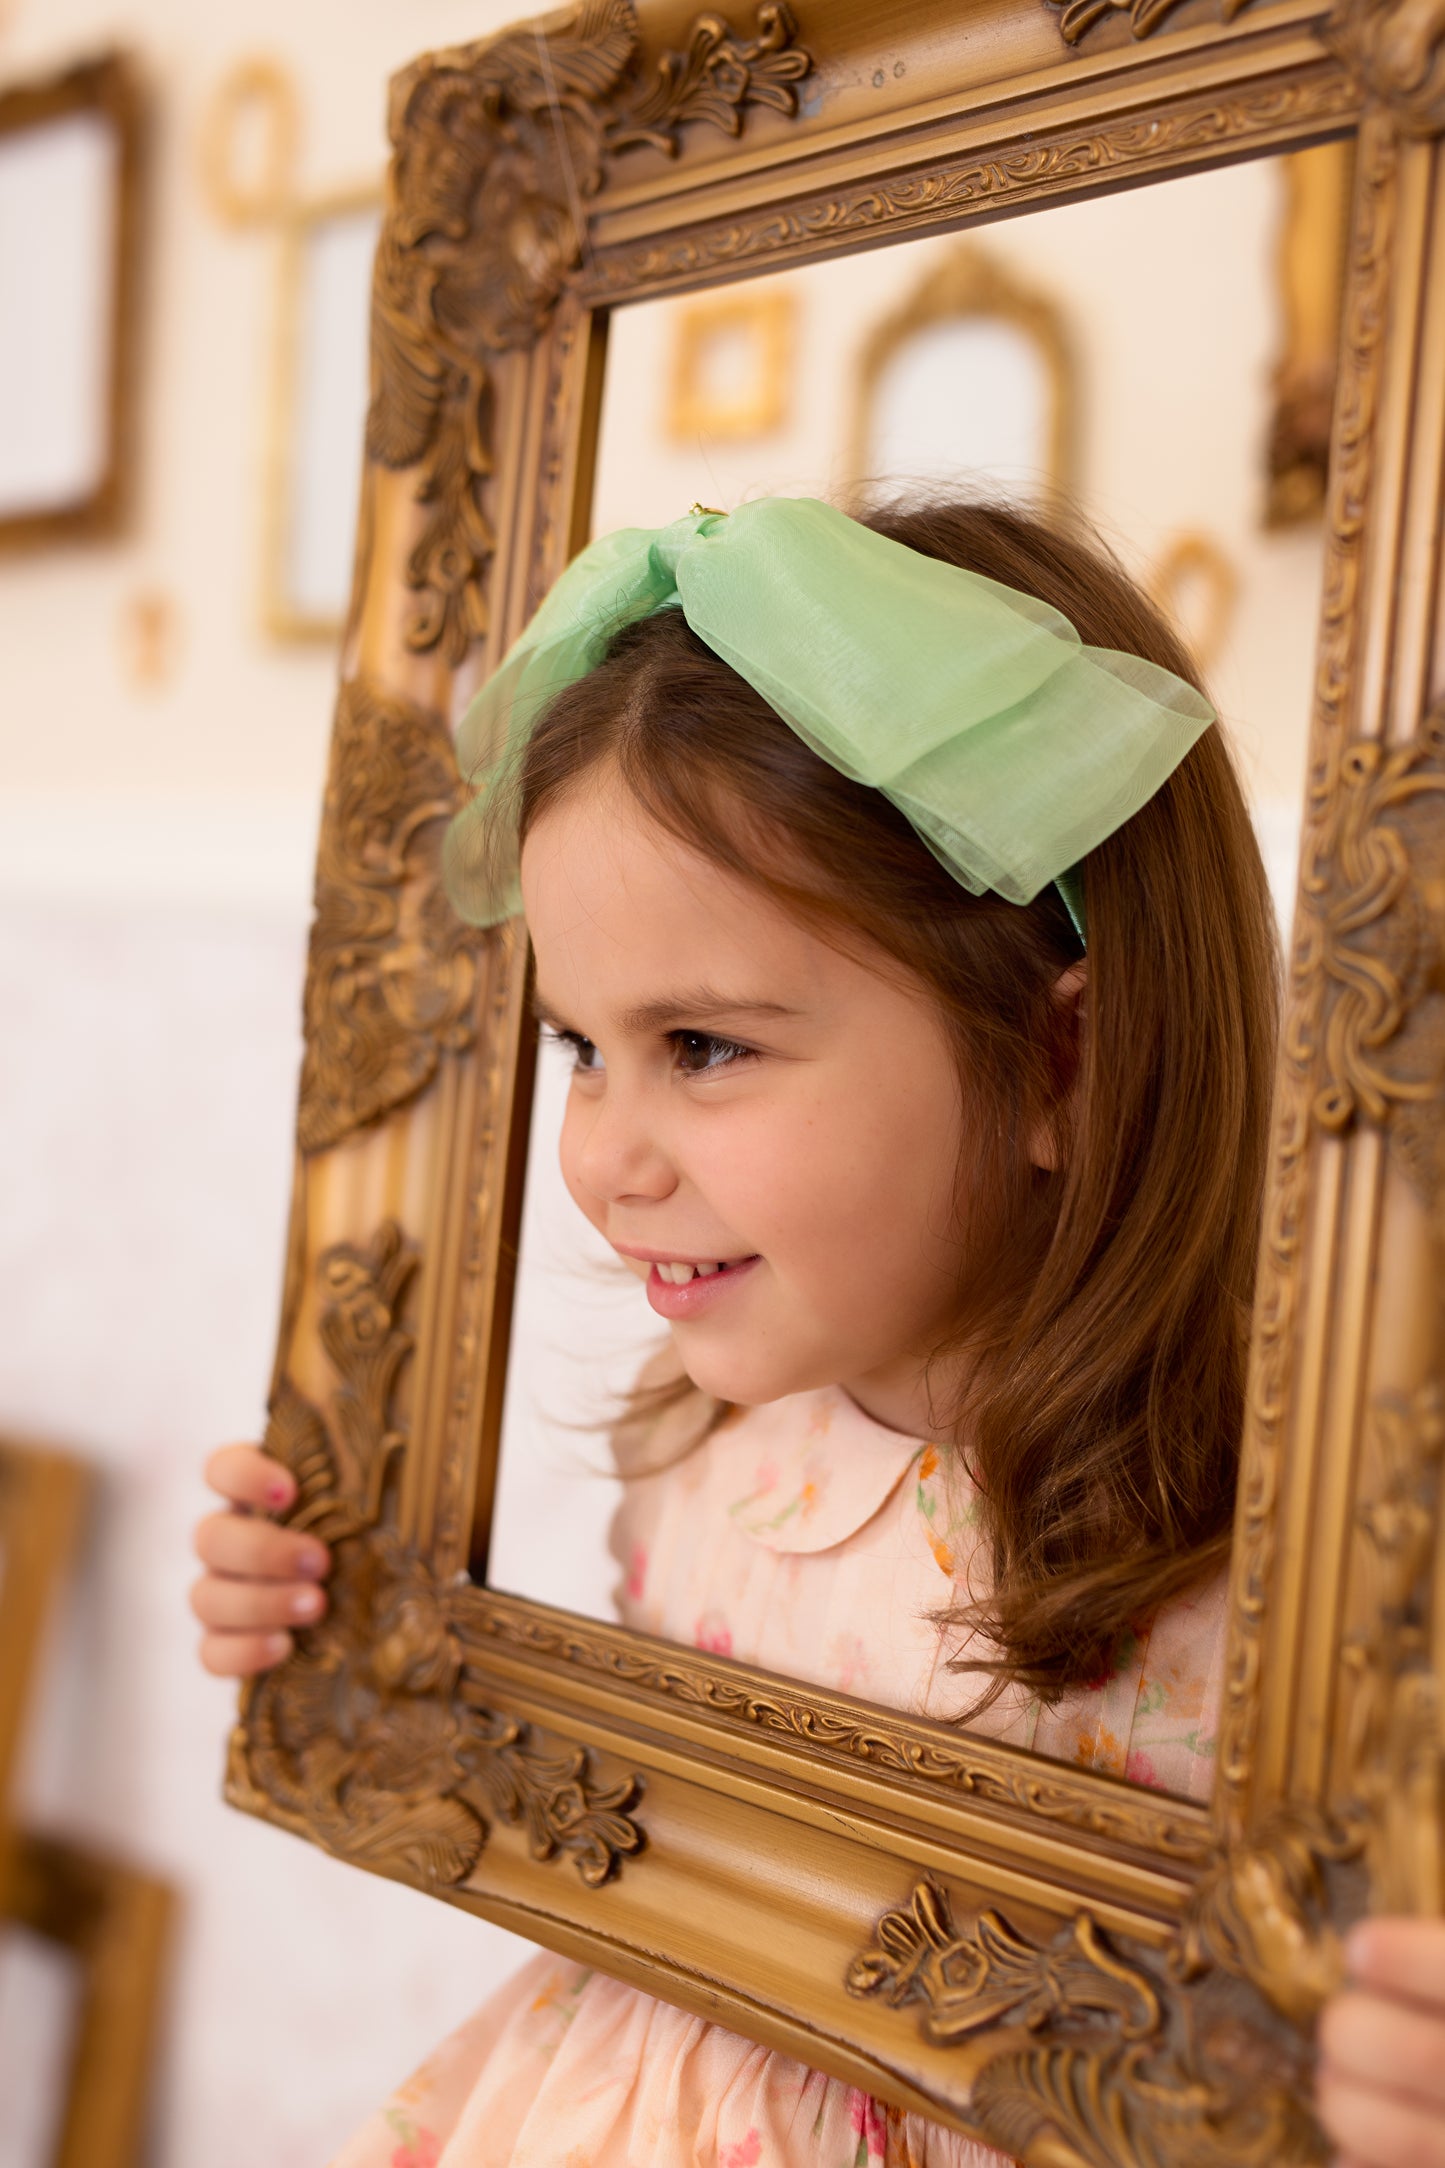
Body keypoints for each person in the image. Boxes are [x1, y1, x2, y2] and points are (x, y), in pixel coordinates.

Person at [192, 495, 1445, 2167]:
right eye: (581, 1049)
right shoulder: (712, 1441)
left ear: (1060, 1063)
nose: (603, 1159)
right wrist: (343, 1616)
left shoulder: (1300, 1576)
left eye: (702, 1048)